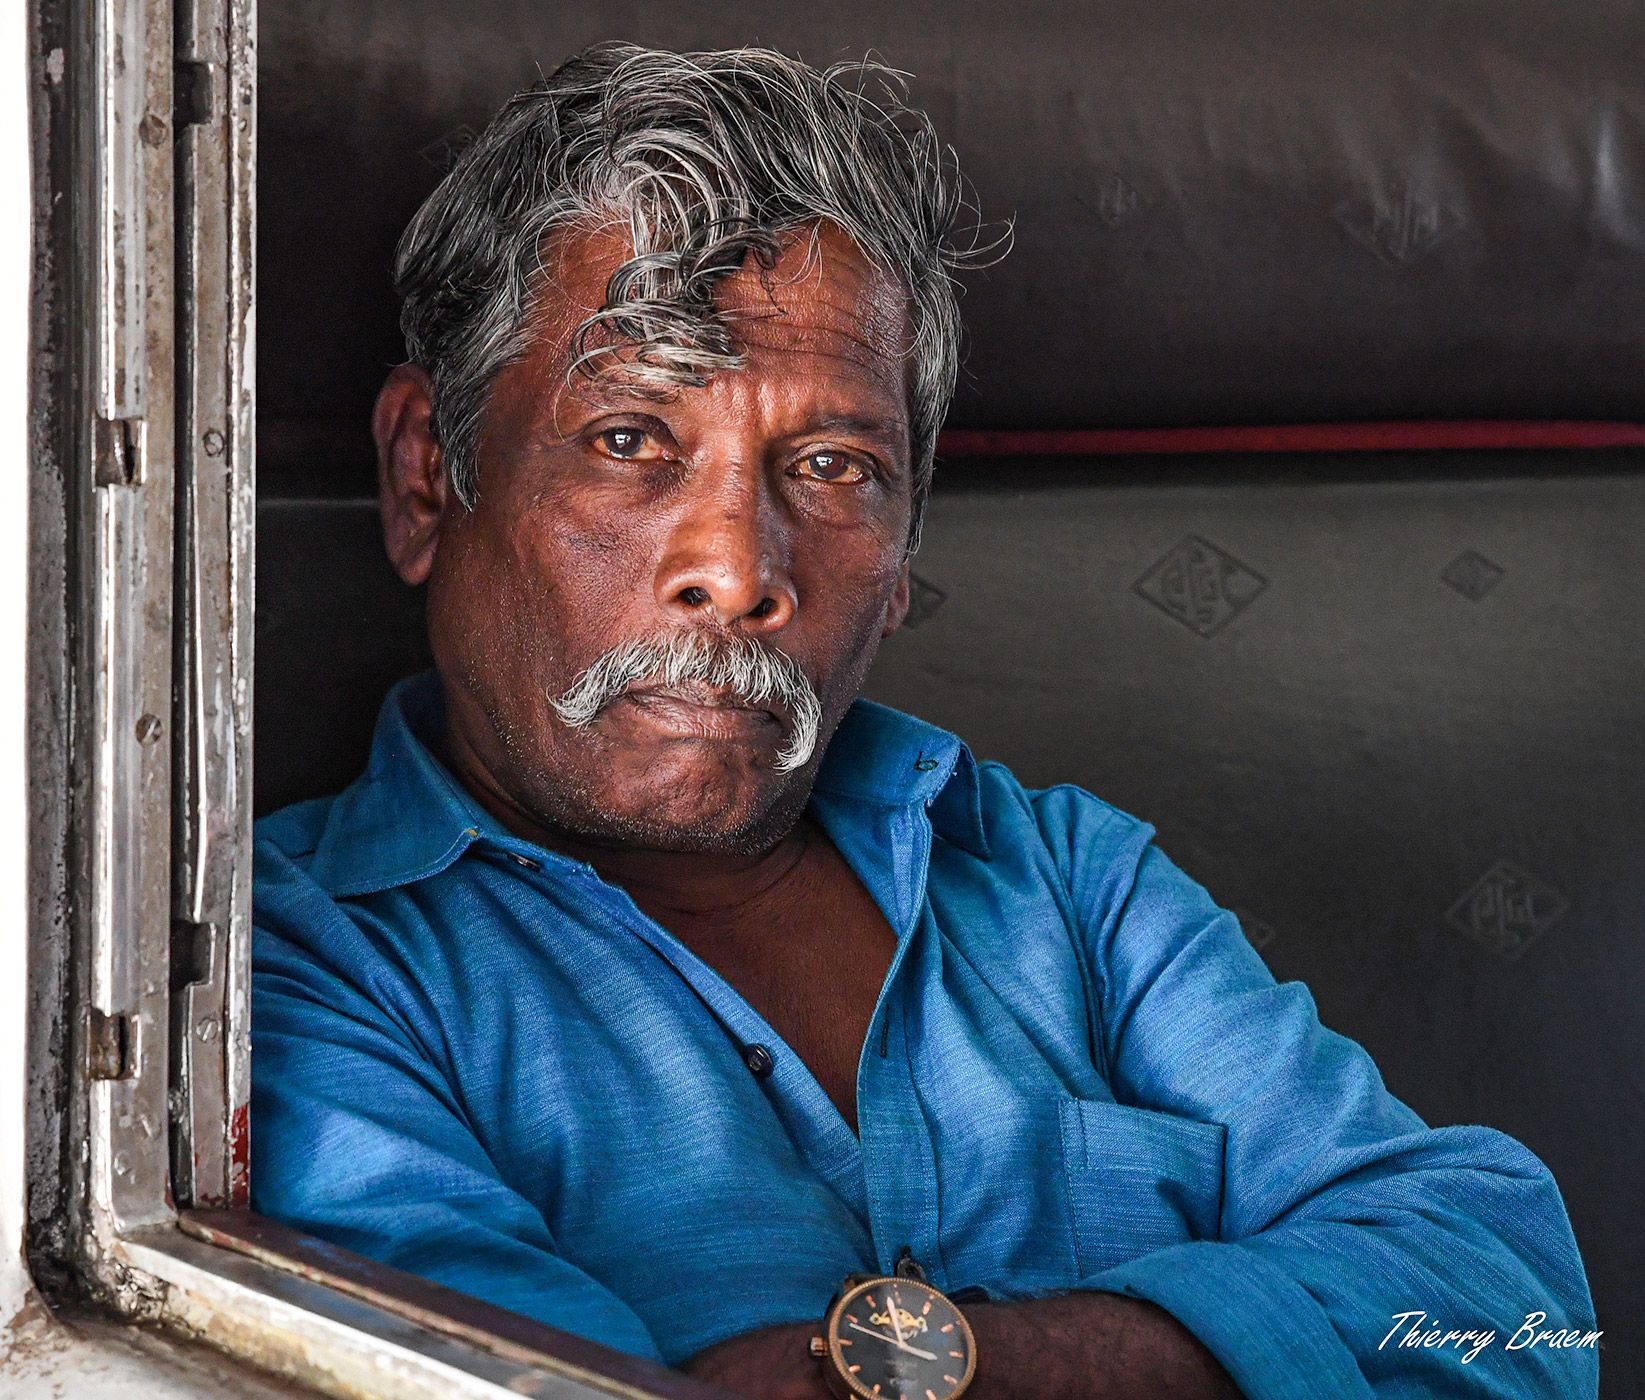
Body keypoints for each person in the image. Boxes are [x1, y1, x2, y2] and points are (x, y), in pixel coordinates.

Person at [251, 44, 1598, 1400]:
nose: (737, 564)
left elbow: (1519, 1317)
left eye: (832, 466)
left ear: (902, 557)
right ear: (428, 477)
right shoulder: (278, 965)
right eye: (627, 439)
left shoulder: (1065, 882)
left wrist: (943, 1371)